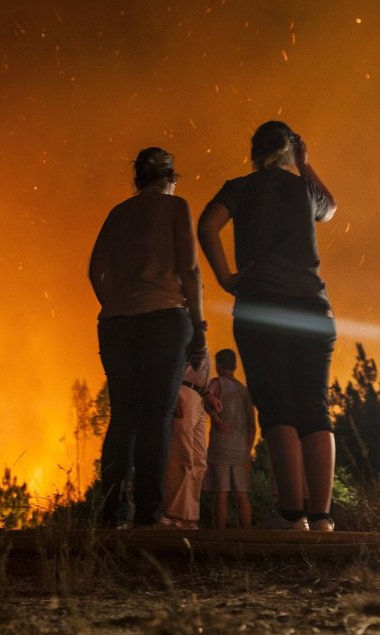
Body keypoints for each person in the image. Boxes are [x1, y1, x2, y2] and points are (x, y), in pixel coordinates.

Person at [197, 121, 338, 532]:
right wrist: (306, 166)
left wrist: (225, 277)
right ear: (290, 150)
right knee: (315, 408)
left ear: (254, 152)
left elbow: (207, 226)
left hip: (262, 307)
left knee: (279, 409)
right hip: (313, 307)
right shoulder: (301, 188)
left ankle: (293, 517)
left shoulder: (240, 188)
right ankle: (323, 517)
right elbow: (330, 209)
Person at [89, 147, 207, 528]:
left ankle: (111, 514)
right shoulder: (177, 207)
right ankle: (148, 515)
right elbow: (189, 268)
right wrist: (200, 327)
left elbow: (94, 271)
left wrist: (118, 303)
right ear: (171, 178)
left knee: (123, 418)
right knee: (156, 417)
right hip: (164, 319)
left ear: (137, 179)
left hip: (116, 323)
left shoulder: (118, 213)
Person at [161, 350, 216, 529]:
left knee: (199, 461)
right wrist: (174, 392)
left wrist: (207, 393)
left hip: (198, 396)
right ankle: (172, 514)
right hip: (183, 391)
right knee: (181, 456)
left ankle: (189, 516)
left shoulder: (198, 328)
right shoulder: (181, 324)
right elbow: (170, 359)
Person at [203, 348, 257, 529]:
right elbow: (252, 426)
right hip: (241, 448)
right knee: (242, 496)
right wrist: (248, 451)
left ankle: (219, 536)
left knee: (221, 494)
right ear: (234, 366)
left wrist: (215, 418)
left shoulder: (217, 382)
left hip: (221, 445)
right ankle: (246, 536)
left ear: (218, 365)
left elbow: (207, 396)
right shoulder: (244, 390)